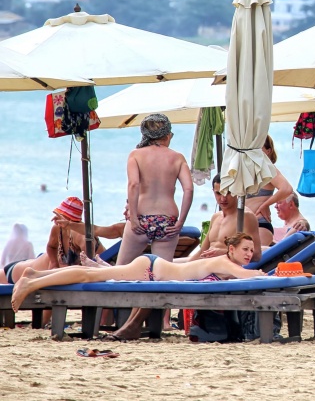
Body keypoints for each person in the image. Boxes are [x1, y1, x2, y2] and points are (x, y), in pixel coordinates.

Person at [107, 178, 262, 340]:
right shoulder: (216, 217)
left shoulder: (246, 217)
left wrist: (223, 252)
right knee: (153, 272)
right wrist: (183, 267)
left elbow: (256, 254)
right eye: (218, 193)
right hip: (204, 266)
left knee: (158, 274)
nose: (223, 198)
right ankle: (131, 324)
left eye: (228, 193)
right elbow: (202, 250)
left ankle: (133, 326)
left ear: (236, 191)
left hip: (221, 271)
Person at [10, 233, 267, 313]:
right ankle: (31, 281)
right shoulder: (225, 263)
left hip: (156, 268)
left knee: (93, 273)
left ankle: (35, 276)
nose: (248, 254)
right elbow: (248, 276)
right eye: (245, 249)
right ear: (231, 249)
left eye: (252, 250)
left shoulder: (227, 264)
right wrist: (270, 275)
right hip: (151, 270)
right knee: (90, 276)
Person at [117, 114, 194, 267]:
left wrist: (133, 218)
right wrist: (180, 223)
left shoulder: (136, 155)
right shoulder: (178, 158)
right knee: (163, 273)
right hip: (168, 221)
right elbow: (189, 189)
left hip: (141, 218)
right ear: (167, 135)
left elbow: (134, 184)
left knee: (121, 269)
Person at [239, 135, 294, 248]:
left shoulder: (268, 169)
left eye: (259, 148)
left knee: (251, 256)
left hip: (260, 224)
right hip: (241, 225)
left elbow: (287, 189)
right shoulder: (246, 171)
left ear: (268, 151)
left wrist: (265, 205)